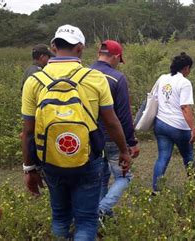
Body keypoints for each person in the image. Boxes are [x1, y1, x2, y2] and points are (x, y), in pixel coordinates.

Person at [21, 24, 130, 240]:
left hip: (50, 160)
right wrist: (124, 151)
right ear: (80, 48)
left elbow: (27, 131)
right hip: (88, 160)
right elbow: (111, 121)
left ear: (53, 46)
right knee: (86, 220)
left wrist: (29, 168)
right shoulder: (95, 78)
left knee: (60, 216)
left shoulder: (34, 81)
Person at [90, 40, 140, 221]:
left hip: (90, 138)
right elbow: (124, 115)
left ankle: (103, 216)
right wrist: (130, 143)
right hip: (112, 138)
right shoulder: (117, 78)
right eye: (120, 60)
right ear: (116, 56)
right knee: (124, 177)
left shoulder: (83, 75)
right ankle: (101, 210)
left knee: (101, 178)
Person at [152, 52, 195, 192]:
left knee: (163, 157)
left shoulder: (162, 78)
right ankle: (194, 186)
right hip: (178, 127)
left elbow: (153, 97)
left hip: (161, 124)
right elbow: (185, 107)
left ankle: (156, 191)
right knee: (188, 156)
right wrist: (193, 128)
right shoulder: (184, 83)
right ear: (186, 68)